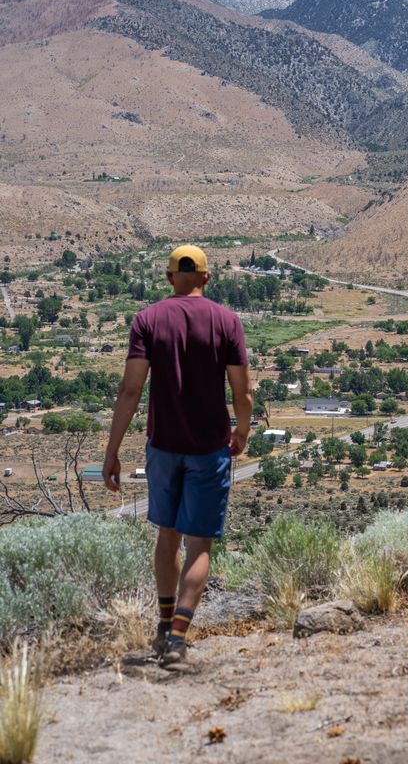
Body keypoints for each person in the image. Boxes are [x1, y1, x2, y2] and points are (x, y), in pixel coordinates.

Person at [102, 244, 252, 666]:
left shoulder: (147, 320)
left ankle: (163, 626)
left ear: (170, 278)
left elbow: (130, 390)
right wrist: (241, 430)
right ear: (206, 277)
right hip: (209, 447)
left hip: (163, 446)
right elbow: (243, 392)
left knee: (167, 534)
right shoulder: (227, 321)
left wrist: (111, 452)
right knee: (199, 542)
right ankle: (178, 640)